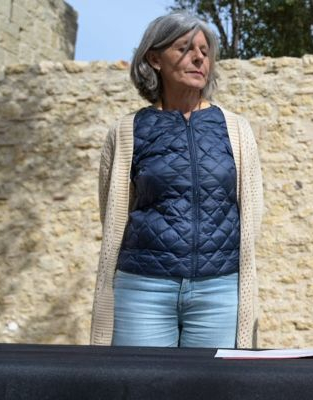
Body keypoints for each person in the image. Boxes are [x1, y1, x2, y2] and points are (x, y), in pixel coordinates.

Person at [91, 12, 263, 348]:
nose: (199, 58)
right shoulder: (127, 131)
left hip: (220, 291)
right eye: (184, 48)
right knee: (139, 379)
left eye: (204, 50)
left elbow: (252, 211)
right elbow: (111, 211)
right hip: (143, 291)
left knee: (215, 380)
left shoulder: (236, 129)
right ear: (154, 59)